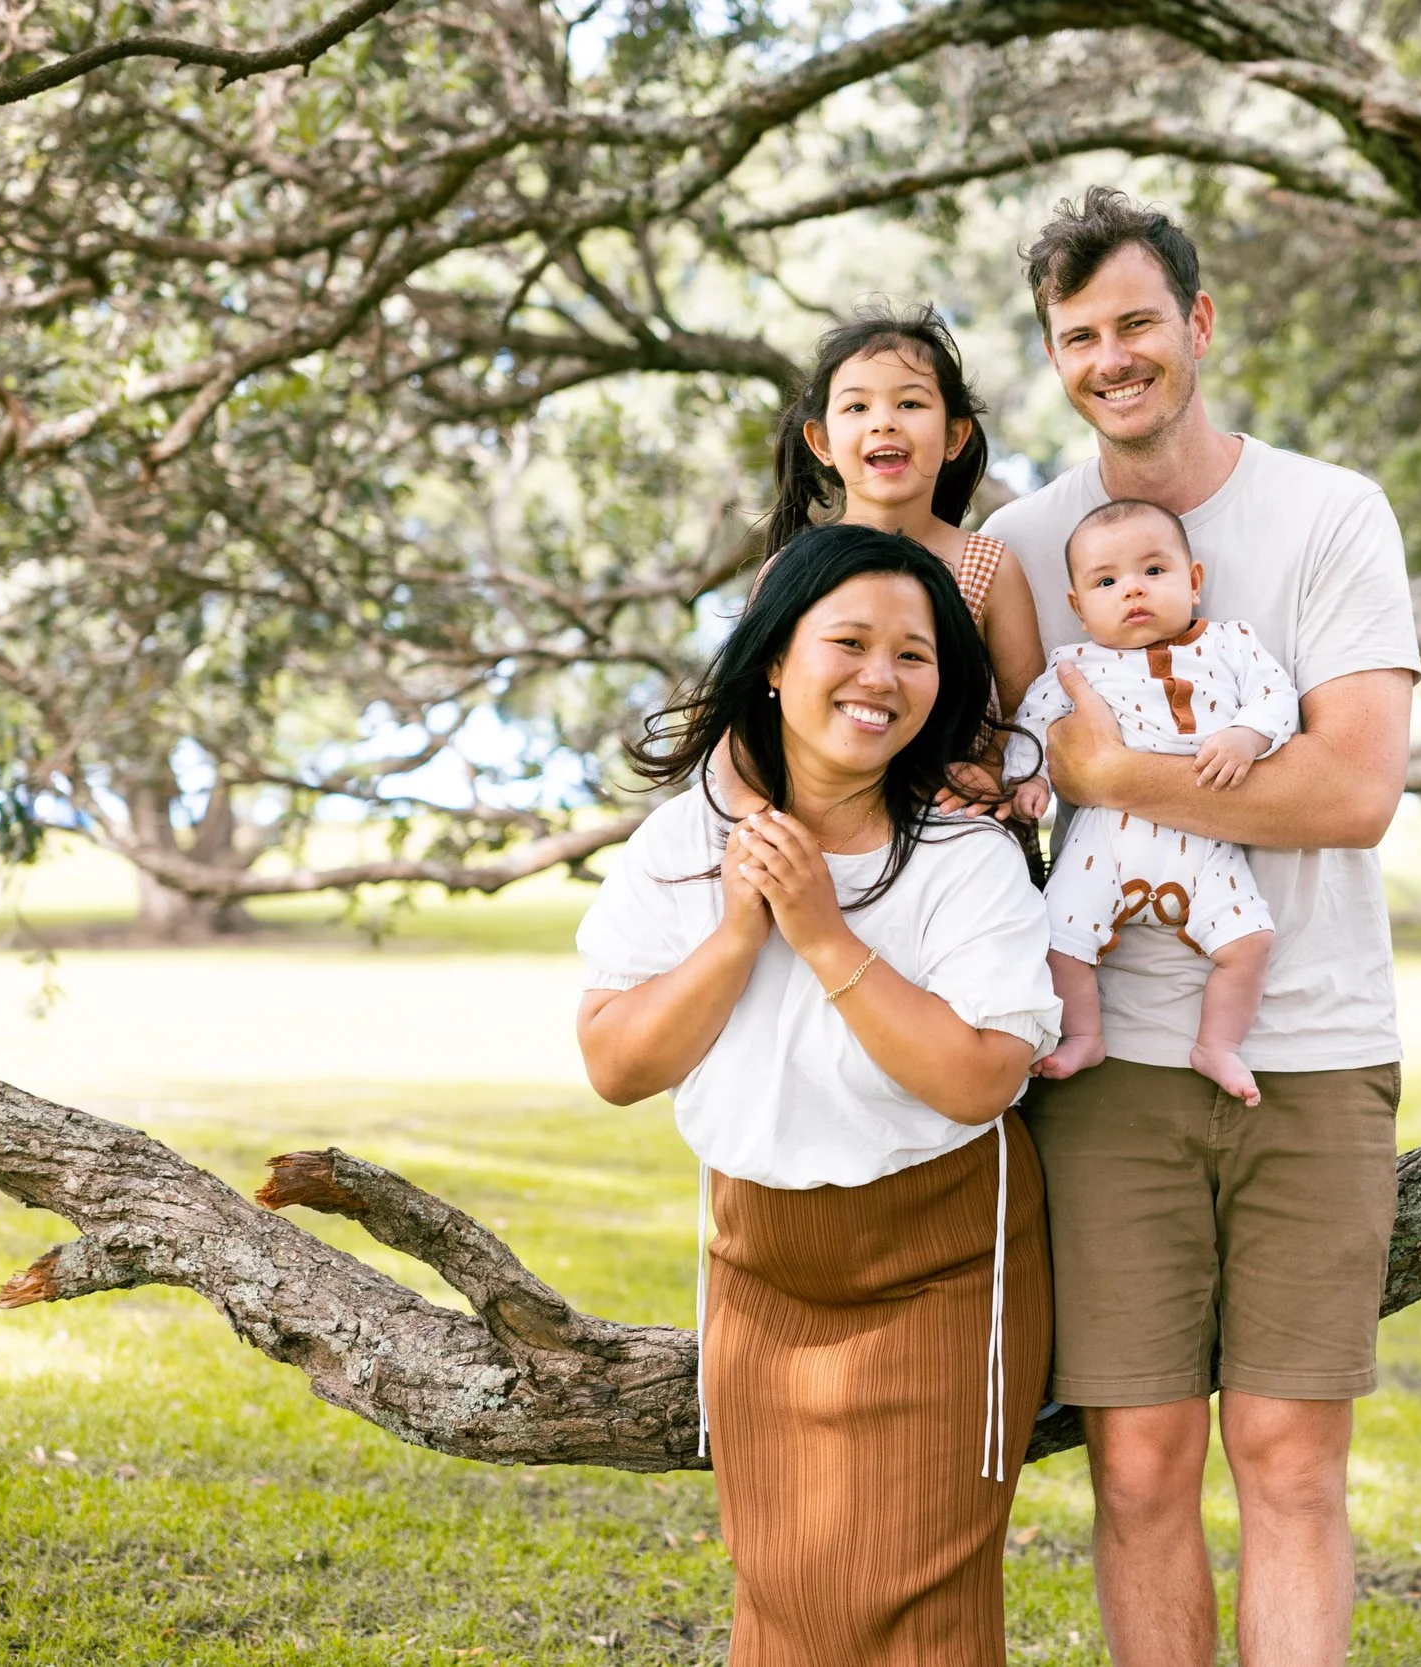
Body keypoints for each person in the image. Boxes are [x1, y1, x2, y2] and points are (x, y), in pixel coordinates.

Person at [983, 187, 1420, 1667]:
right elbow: (998, 776)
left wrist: (1119, 772)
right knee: (1142, 1467)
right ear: (1055, 356)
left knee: (1292, 1463)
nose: (1112, 356)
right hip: (1105, 1071)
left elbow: (1353, 785)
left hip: (1313, 1046)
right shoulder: (1021, 545)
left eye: (1136, 323)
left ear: (1199, 324)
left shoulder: (1330, 511)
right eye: (1078, 335)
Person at [574, 524, 1060, 1666]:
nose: (880, 676)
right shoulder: (686, 841)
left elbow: (982, 1073)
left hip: (941, 1262)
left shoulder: (963, 857)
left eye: (916, 653)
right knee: (783, 1595)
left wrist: (821, 931)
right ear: (778, 659)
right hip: (760, 1265)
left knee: (913, 1603)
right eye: (848, 640)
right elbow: (614, 1061)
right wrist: (740, 930)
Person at [1006, 498, 1299, 1105]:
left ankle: (1217, 1044)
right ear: (1079, 609)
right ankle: (1085, 1035)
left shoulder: (1231, 644)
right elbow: (1031, 723)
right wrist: (1028, 779)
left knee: (1250, 944)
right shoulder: (1072, 666)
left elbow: (1277, 695)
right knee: (1059, 937)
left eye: (1154, 572)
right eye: (1107, 582)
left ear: (1193, 583)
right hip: (1104, 838)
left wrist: (1249, 735)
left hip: (1207, 837)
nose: (1132, 591)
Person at [756, 302, 1047, 813]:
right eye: (856, 407)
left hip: (956, 827)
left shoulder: (988, 565)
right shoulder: (792, 571)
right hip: (826, 827)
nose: (884, 422)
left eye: (910, 404)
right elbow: (747, 718)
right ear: (820, 442)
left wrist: (993, 769)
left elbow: (1032, 708)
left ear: (955, 436)